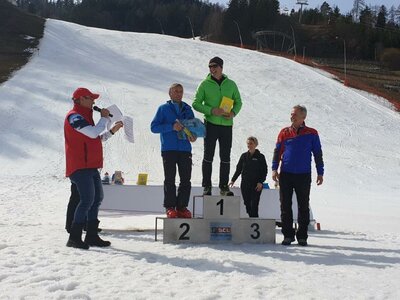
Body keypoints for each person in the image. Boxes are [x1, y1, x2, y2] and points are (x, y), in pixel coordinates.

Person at [64, 87, 123, 249]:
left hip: (91, 166)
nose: (93, 102)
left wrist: (112, 131)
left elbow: (97, 138)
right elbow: (92, 133)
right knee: (87, 200)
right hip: (79, 166)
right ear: (81, 99)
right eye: (90, 98)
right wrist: (104, 118)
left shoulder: (86, 118)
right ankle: (74, 237)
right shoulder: (74, 116)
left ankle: (91, 235)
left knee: (96, 199)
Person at [272, 105, 324, 246]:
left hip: (303, 175)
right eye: (291, 114)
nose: (292, 116)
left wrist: (320, 172)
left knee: (303, 206)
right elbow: (277, 151)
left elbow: (318, 153)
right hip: (286, 174)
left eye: (295, 114)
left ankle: (302, 236)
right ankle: (288, 235)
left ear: (303, 117)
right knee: (285, 205)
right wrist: (274, 169)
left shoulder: (312, 133)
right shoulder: (284, 132)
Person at [193, 56, 242, 196]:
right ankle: (207, 186)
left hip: (227, 125)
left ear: (221, 67)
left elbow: (239, 102)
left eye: (215, 66)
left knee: (225, 157)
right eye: (210, 67)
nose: (212, 69)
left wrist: (233, 113)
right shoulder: (204, 84)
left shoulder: (231, 84)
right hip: (211, 124)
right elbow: (196, 103)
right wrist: (210, 110)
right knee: (208, 155)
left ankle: (224, 186)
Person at [151, 83, 197, 218]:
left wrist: (193, 135)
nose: (179, 93)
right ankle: (170, 207)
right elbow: (154, 127)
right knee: (170, 179)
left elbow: (193, 127)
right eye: (176, 91)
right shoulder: (163, 108)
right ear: (169, 93)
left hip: (185, 149)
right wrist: (171, 127)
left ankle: (182, 207)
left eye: (181, 91)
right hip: (169, 149)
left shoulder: (188, 109)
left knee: (186, 180)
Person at [229, 136, 268, 218]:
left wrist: (261, 182)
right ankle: (252, 221)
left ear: (255, 144)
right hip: (245, 184)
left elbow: (264, 171)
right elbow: (238, 169)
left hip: (256, 185)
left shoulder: (260, 157)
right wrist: (233, 180)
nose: (249, 145)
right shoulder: (244, 156)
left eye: (251, 143)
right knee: (247, 204)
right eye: (248, 144)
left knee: (254, 204)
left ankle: (254, 221)